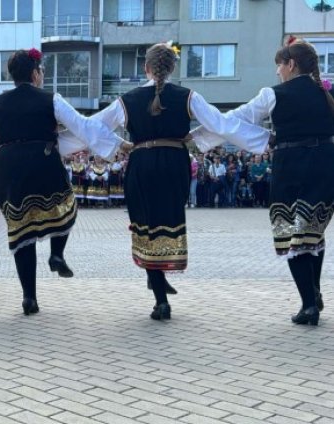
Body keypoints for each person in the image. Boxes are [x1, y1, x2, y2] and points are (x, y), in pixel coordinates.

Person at [94, 43, 270, 320]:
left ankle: (159, 294)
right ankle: (158, 279)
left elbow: (93, 127)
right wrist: (263, 139)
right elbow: (221, 124)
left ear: (146, 67)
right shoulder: (188, 97)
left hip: (142, 163)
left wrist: (119, 144)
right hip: (174, 163)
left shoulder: (126, 100)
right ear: (172, 68)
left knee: (146, 223)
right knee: (167, 220)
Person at [0, 48, 128, 315]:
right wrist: (117, 143)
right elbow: (82, 125)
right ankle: (56, 253)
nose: (42, 75)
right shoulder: (51, 99)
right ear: (35, 74)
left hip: (8, 166)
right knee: (66, 204)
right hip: (42, 160)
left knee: (21, 230)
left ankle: (29, 297)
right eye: (41, 71)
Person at [193, 38, 334, 325]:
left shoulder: (273, 94)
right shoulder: (327, 93)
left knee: (291, 234)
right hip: (325, 166)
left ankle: (309, 304)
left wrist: (198, 136)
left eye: (279, 66)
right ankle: (314, 294)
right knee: (312, 232)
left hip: (290, 166)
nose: (277, 72)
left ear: (291, 64)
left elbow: (235, 120)